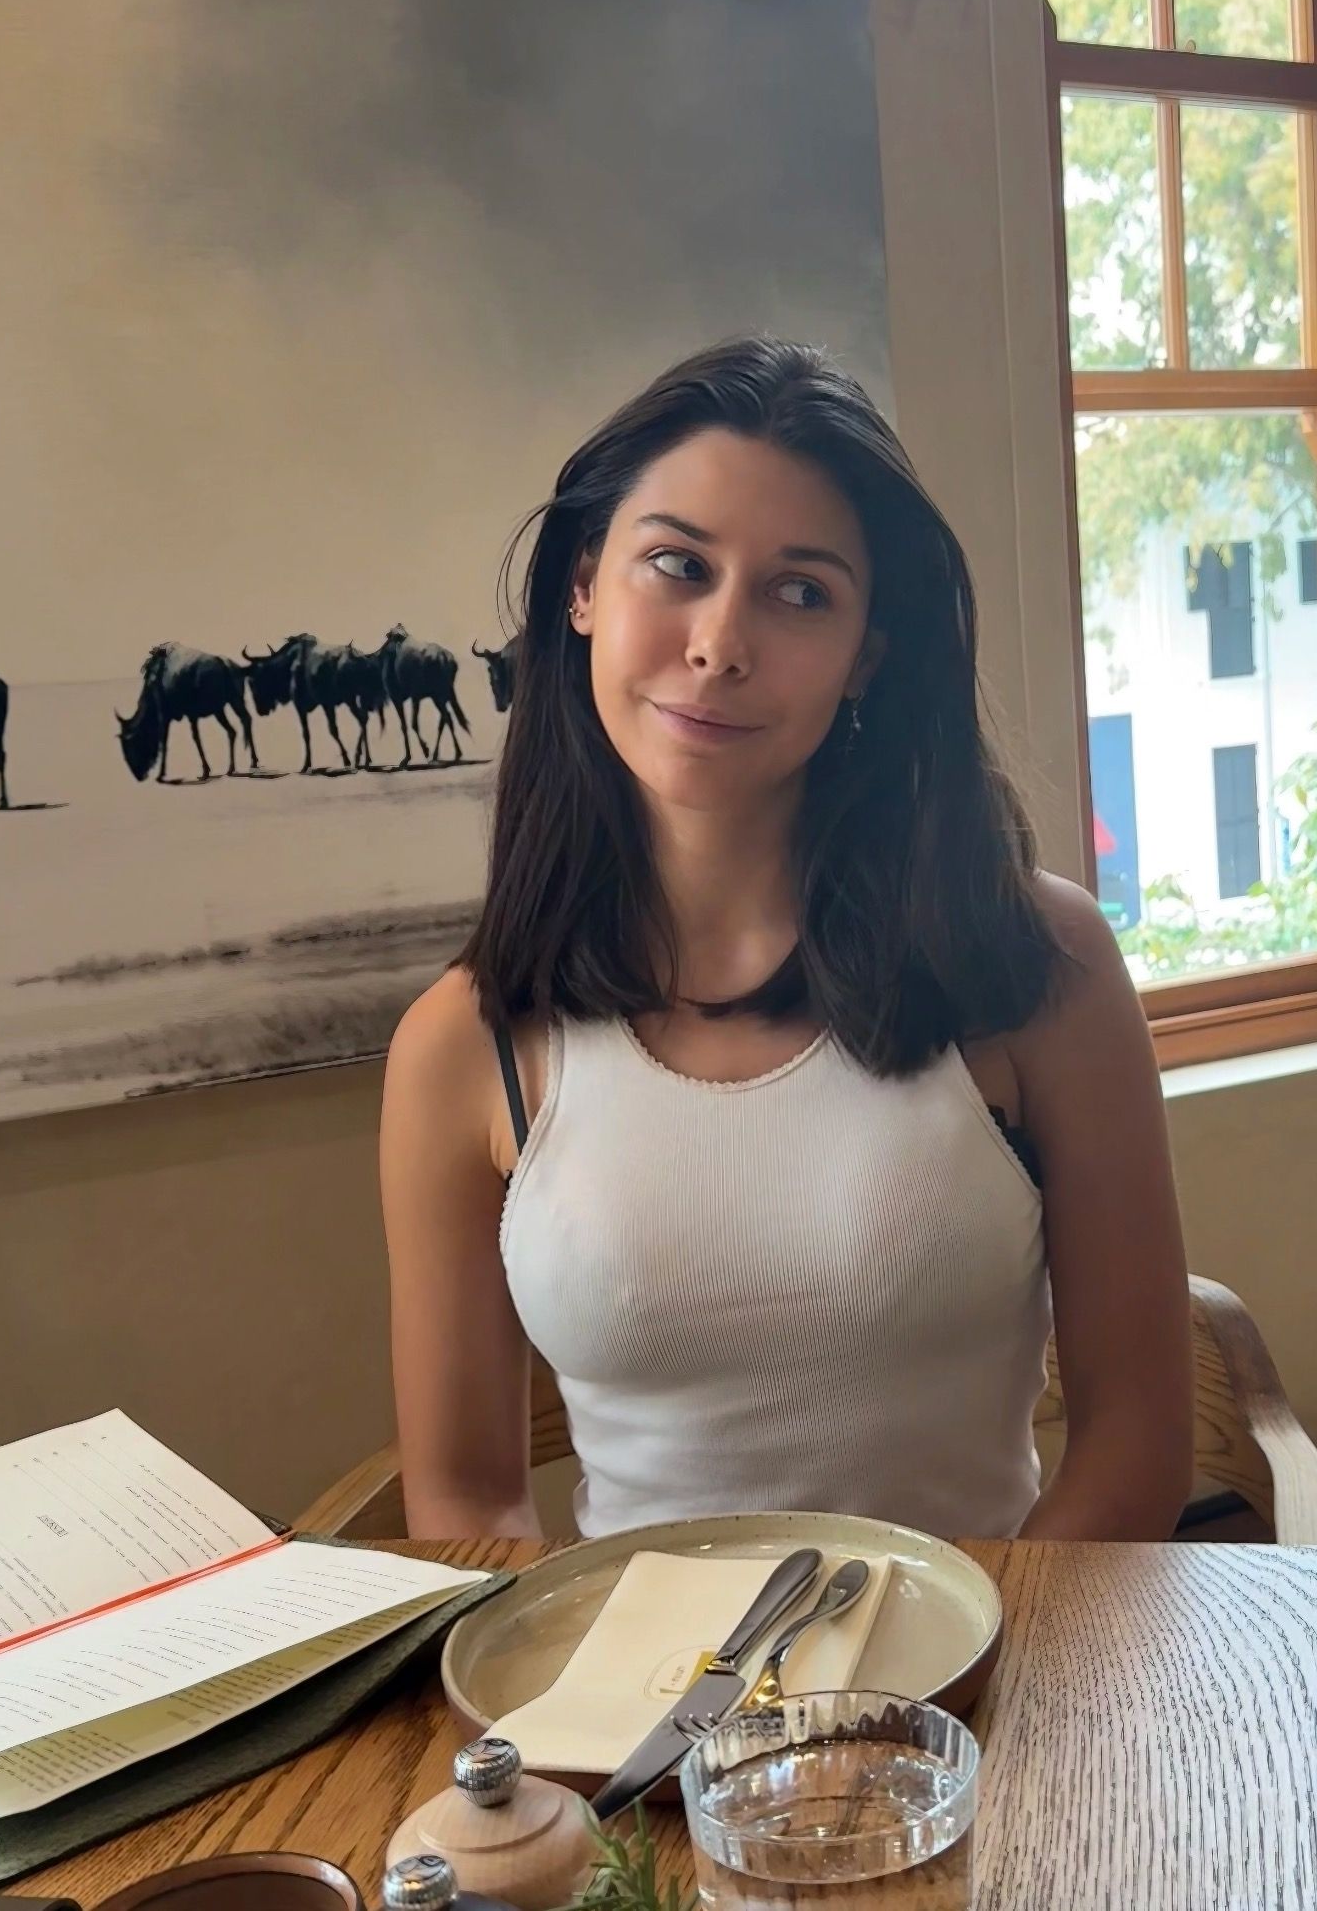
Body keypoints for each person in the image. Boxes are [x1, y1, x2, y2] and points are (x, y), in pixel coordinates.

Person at [380, 337, 1193, 1541]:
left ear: (867, 654)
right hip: (638, 1717)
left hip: (987, 1692)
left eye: (799, 591)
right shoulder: (467, 1042)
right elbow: (467, 1497)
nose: (719, 644)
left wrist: (969, 1684)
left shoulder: (1035, 966)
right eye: (676, 566)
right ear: (585, 586)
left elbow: (1136, 1447)